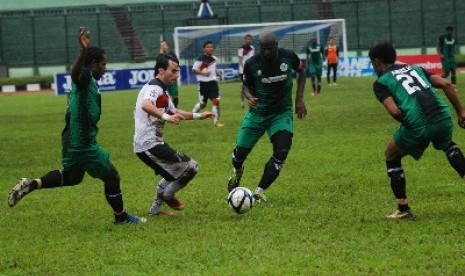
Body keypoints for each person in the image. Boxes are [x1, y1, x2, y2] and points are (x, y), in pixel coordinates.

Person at [7, 27, 146, 224]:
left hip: (72, 138)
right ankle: (121, 217)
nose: (105, 68)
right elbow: (75, 74)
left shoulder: (87, 81)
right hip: (82, 142)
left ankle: (31, 184)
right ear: (93, 64)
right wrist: (82, 51)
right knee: (113, 177)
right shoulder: (84, 77)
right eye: (103, 64)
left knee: (73, 177)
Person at [369, 41, 465, 219]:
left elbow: (394, 111)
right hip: (442, 116)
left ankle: (403, 209)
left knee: (391, 154)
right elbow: (446, 85)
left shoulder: (381, 82)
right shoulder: (415, 69)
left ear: (377, 62)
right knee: (448, 145)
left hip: (417, 124)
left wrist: (411, 124)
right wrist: (460, 112)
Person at [227, 31, 307, 201]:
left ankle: (258, 193)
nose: (267, 52)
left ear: (276, 46)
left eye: (270, 49)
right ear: (259, 48)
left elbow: (302, 70)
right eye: (263, 49)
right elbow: (245, 86)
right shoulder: (252, 63)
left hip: (281, 113)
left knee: (282, 151)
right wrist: (249, 97)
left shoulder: (288, 56)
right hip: (257, 114)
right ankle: (237, 171)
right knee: (239, 154)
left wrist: (299, 98)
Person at [134, 54, 214, 217]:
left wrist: (199, 116)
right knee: (191, 167)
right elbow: (146, 105)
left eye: (178, 71)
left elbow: (175, 112)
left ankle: (155, 210)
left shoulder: (161, 90)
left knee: (174, 172)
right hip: (148, 144)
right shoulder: (153, 87)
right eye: (173, 71)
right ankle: (167, 196)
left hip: (151, 144)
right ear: (161, 70)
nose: (177, 75)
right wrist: (166, 117)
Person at [192, 40, 224, 127]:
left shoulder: (214, 59)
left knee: (216, 101)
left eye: (211, 47)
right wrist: (203, 73)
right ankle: (192, 114)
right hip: (203, 84)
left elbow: (214, 69)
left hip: (213, 83)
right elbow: (194, 70)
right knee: (203, 104)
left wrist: (219, 74)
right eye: (208, 47)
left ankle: (216, 122)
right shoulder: (200, 59)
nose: (210, 48)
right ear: (204, 49)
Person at [159, 40, 180, 107]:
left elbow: (177, 64)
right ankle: (171, 110)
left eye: (164, 45)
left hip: (173, 77)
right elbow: (159, 68)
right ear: (160, 47)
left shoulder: (172, 54)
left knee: (175, 95)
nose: (163, 47)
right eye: (162, 46)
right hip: (165, 79)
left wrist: (175, 74)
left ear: (167, 46)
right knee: (167, 95)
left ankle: (175, 107)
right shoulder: (160, 57)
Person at [238, 34, 255, 108]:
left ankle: (252, 100)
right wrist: (244, 68)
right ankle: (242, 101)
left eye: (250, 39)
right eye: (247, 39)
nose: (249, 40)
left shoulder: (252, 48)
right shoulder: (241, 49)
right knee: (243, 86)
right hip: (243, 71)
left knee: (252, 86)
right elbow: (240, 60)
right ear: (244, 40)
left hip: (251, 70)